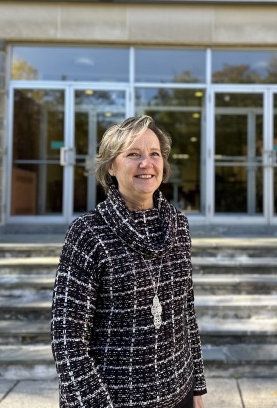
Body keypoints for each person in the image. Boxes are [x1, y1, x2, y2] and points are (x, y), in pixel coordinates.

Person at [51, 115, 207, 408]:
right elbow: (67, 338)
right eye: (133, 154)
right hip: (114, 401)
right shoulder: (88, 233)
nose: (146, 164)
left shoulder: (179, 226)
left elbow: (186, 314)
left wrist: (196, 387)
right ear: (111, 165)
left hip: (180, 394)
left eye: (154, 154)